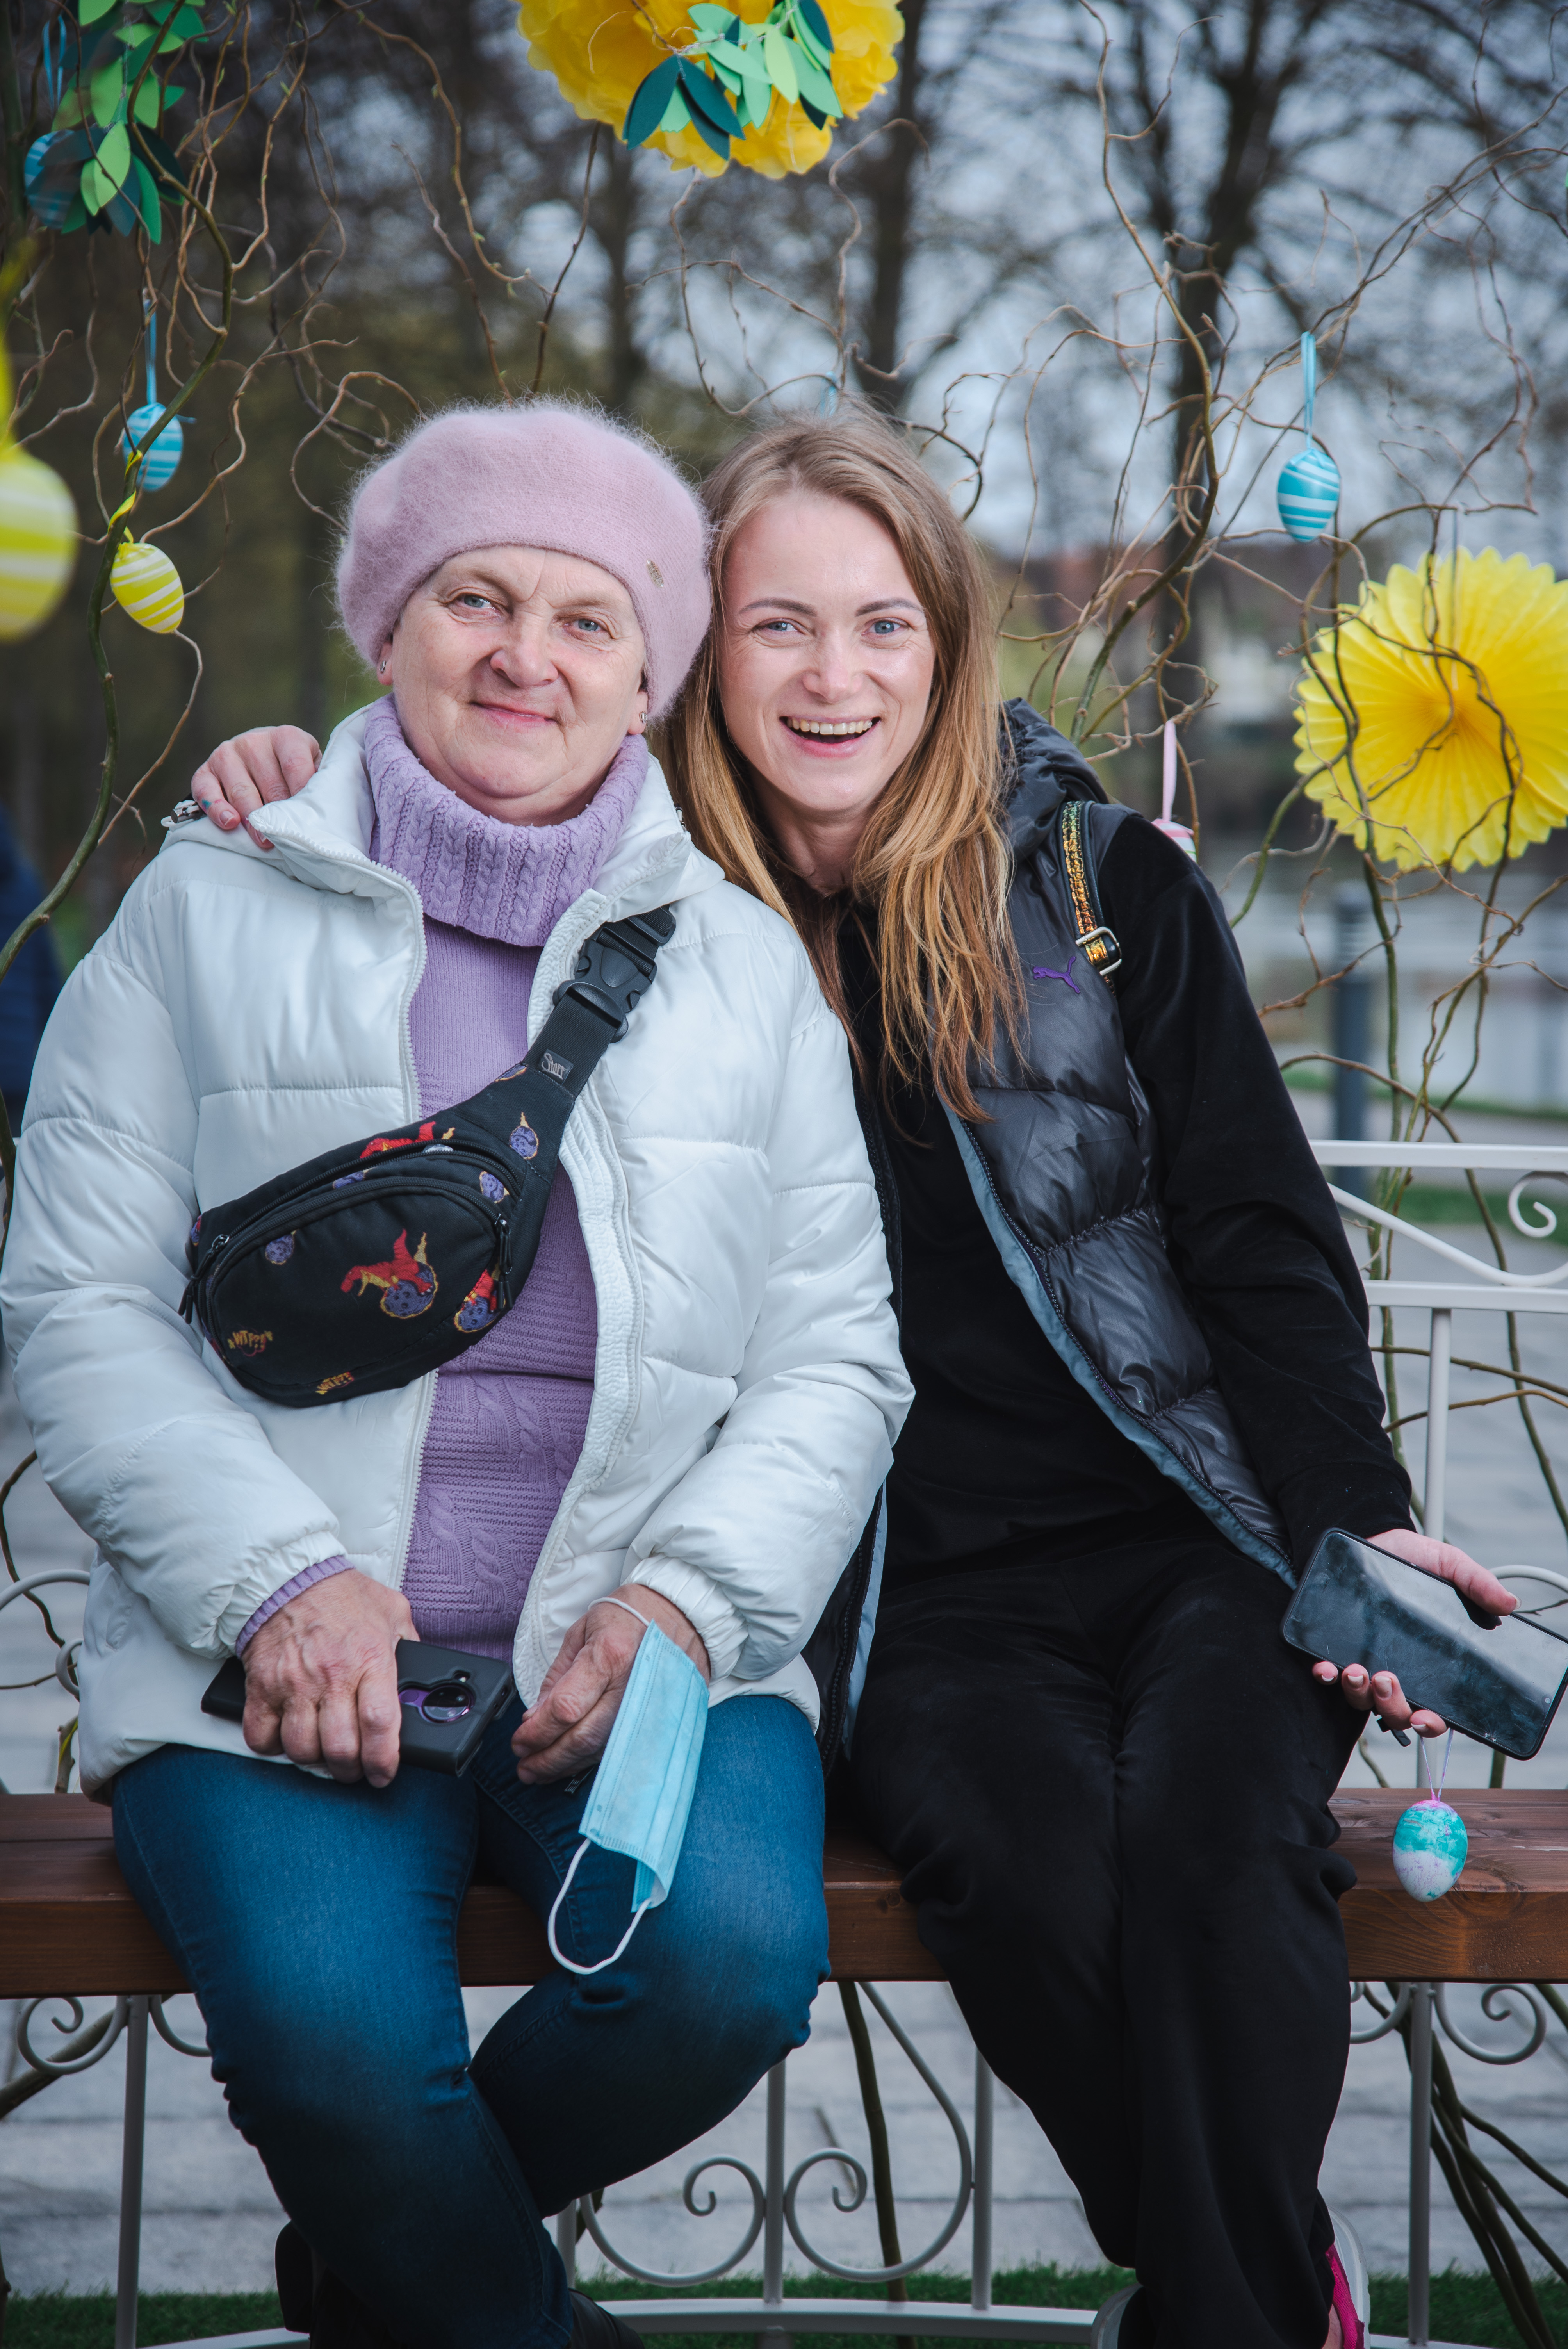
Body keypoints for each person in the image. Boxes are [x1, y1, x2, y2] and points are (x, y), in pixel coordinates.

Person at [190, 409, 1516, 2349]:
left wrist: (1355, 1529)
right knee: (1026, 1870)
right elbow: (449, 798)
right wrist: (299, 769)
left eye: (884, 624)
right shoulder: (647, 917)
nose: (836, 676)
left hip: (1187, 1538)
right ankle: (1255, 2291)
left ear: (946, 649)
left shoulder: (1098, 892)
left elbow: (1258, 1246)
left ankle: (1229, 2310)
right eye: (779, 624)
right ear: (697, 653)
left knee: (1221, 1850)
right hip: (898, 1589)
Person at [0, 401, 911, 2349]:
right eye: (474, 599)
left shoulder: (742, 970)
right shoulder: (200, 910)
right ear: (387, 627)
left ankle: (383, 2267)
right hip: (273, 1657)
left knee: (722, 1974)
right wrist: (278, 1584)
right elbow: (76, 1302)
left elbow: (835, 1352)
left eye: (587, 620)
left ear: (648, 678)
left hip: (648, 1648)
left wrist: (686, 1606)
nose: (525, 656)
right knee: (337, 2049)